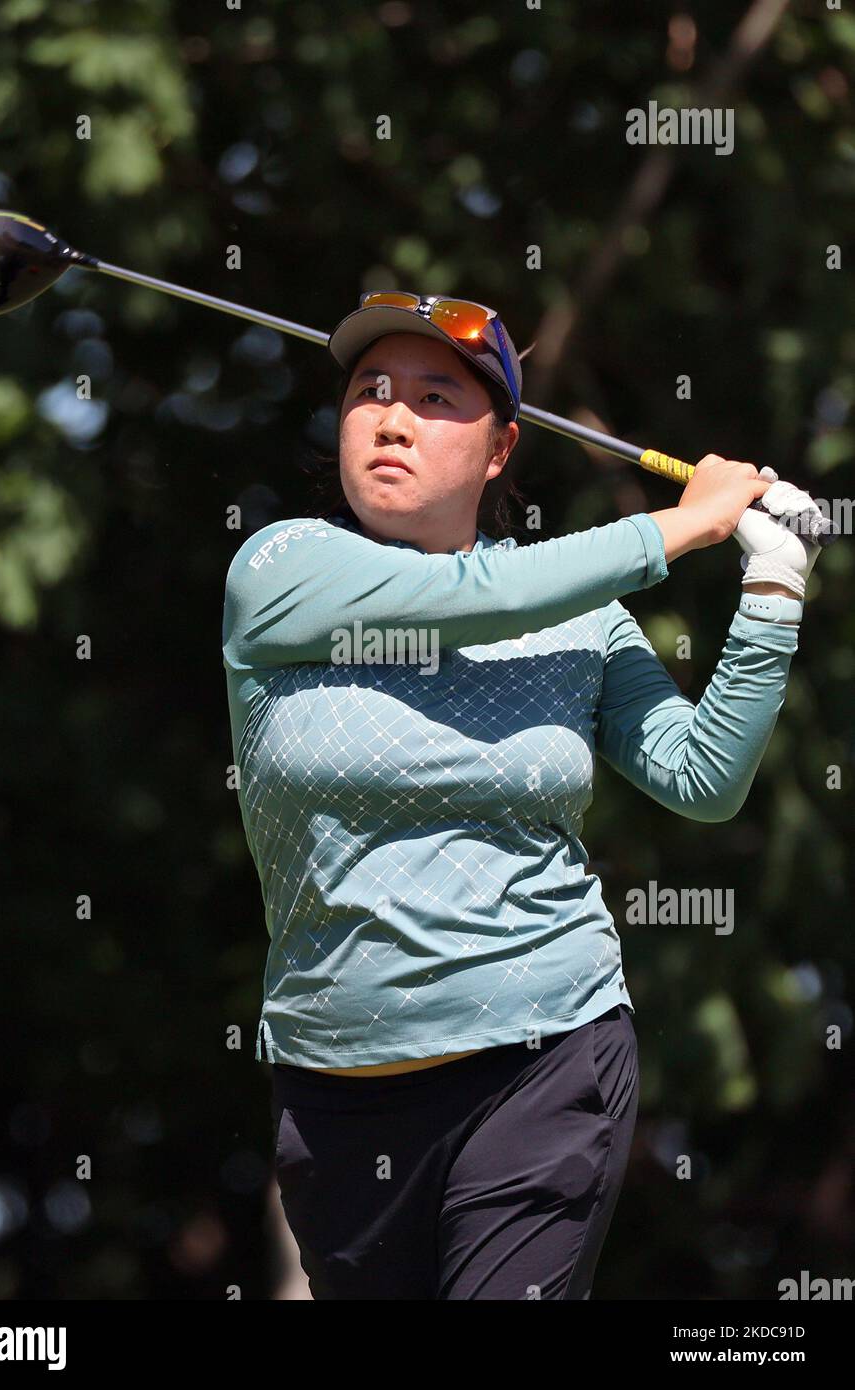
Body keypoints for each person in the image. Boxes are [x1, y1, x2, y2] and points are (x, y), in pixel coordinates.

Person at [221, 291, 823, 1300]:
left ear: (500, 450)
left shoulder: (579, 615)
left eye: (432, 396)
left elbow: (701, 777)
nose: (392, 417)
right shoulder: (281, 570)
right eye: (368, 393)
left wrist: (770, 588)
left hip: (544, 1055)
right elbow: (476, 600)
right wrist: (688, 522)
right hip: (336, 1095)